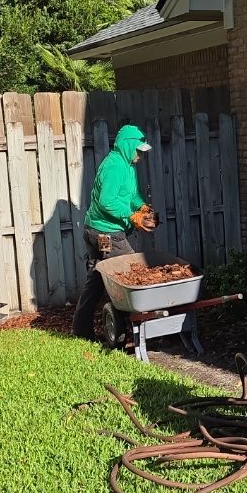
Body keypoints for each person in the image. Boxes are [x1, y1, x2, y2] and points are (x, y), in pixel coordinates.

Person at [72, 123, 157, 339]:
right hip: (105, 234)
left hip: (97, 230)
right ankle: (137, 331)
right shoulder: (114, 166)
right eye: (138, 150)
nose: (140, 155)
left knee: (98, 280)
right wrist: (132, 216)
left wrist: (142, 207)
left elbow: (132, 195)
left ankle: (82, 331)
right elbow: (106, 201)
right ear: (127, 146)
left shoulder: (127, 165)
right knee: (132, 273)